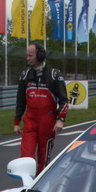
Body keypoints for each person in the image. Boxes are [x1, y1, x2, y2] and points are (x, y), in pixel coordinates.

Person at [13, 42, 69, 174]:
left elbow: (64, 100)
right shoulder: (25, 76)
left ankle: (40, 184)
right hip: (30, 123)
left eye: (30, 55)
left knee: (43, 161)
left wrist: (60, 119)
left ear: (40, 55)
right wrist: (17, 122)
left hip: (47, 124)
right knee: (26, 158)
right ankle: (27, 183)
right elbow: (20, 101)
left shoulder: (54, 75)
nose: (27, 58)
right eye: (27, 55)